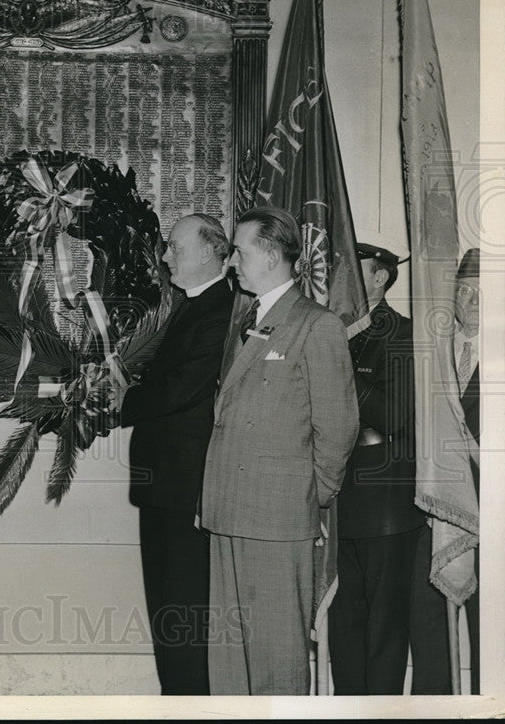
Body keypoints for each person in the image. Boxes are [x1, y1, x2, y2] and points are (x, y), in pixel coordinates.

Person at [199, 205, 358, 695]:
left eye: (240, 252)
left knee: (276, 656)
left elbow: (338, 426)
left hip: (277, 516)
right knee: (228, 659)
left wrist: (310, 496)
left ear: (270, 255)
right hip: (228, 509)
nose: (232, 262)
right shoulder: (247, 317)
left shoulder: (316, 324)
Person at [117, 213, 233, 695]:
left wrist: (122, 401)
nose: (165, 258)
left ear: (208, 252)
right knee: (167, 612)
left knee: (184, 615)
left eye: (175, 248)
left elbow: (182, 388)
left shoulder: (223, 307)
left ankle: (190, 703)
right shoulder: (196, 304)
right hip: (166, 486)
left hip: (188, 488)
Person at [327, 243, 425, 694]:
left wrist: (340, 364)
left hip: (384, 503)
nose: (338, 277)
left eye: (353, 269)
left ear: (381, 278)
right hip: (336, 498)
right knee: (343, 626)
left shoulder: (402, 334)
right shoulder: (330, 332)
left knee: (384, 629)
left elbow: (393, 416)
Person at [409, 247, 481, 694]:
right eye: (464, 290)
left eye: (483, 292)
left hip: (493, 506)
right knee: (428, 621)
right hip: (435, 507)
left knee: (492, 628)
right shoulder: (432, 353)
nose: (472, 300)